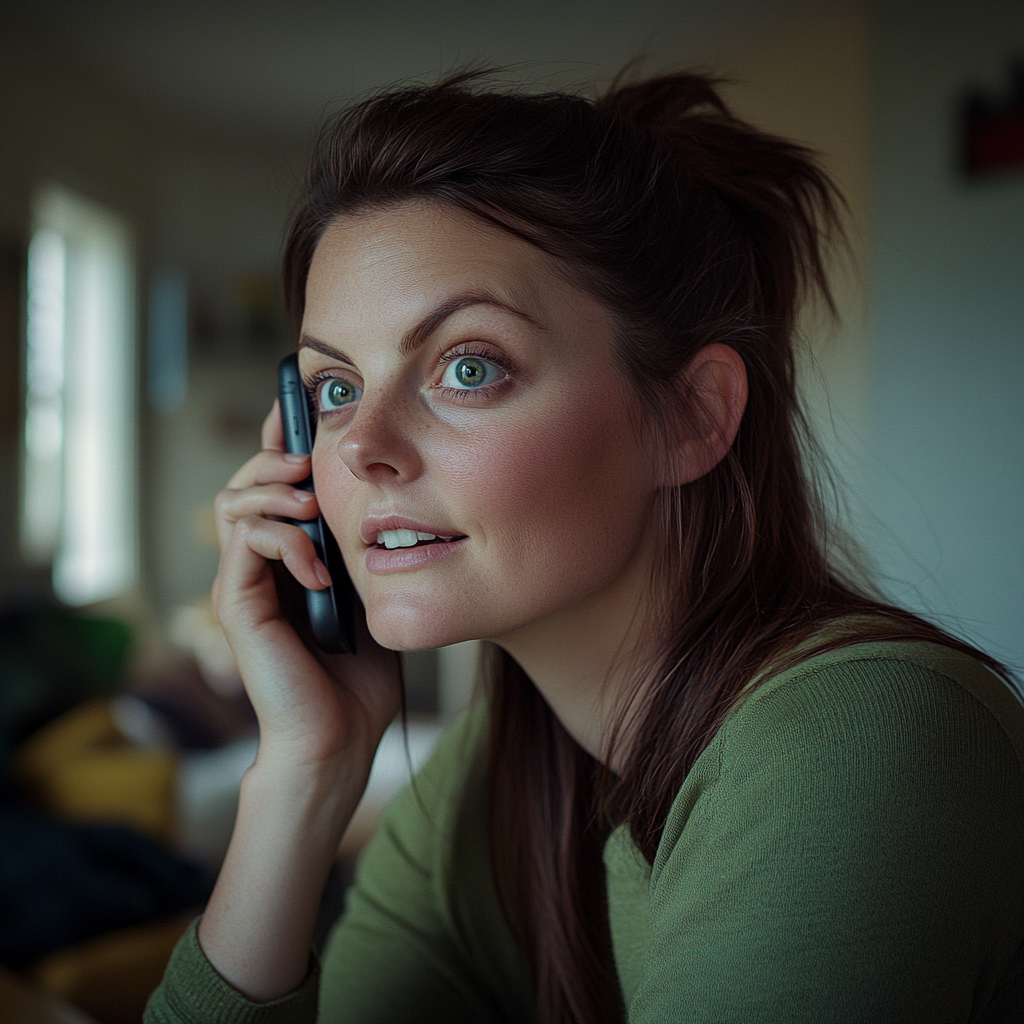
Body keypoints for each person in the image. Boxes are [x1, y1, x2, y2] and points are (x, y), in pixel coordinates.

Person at [145, 70, 1024, 1024]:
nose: (358, 449)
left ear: (689, 417)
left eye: (467, 367)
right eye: (334, 387)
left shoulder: (860, 745)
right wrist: (304, 774)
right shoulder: (502, 766)